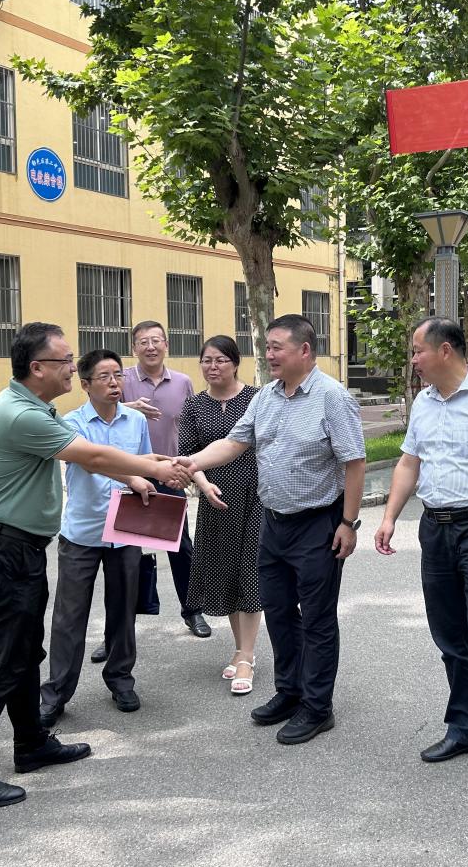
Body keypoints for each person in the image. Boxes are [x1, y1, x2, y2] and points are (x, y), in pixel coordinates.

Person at [0, 322, 192, 809]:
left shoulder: (36, 408)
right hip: (5, 550)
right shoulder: (21, 414)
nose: (72, 369)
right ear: (37, 368)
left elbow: (104, 457)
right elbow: (92, 455)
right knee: (2, 663)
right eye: (66, 362)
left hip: (23, 549)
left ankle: (31, 743)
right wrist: (156, 468)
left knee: (24, 655)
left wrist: (160, 462)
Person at [178, 314, 365, 745]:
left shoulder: (332, 398)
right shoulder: (266, 397)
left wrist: (348, 523)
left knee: (316, 619)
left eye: (277, 346)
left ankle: (317, 707)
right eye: (267, 346)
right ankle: (289, 691)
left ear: (305, 350)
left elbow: (354, 462)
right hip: (273, 521)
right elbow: (234, 443)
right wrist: (191, 463)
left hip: (318, 524)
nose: (269, 354)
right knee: (279, 613)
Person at [374, 318, 468, 795]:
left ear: (445, 350)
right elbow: (409, 462)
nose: (413, 360)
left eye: (417, 351)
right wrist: (389, 516)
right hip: (435, 530)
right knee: (450, 638)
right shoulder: (423, 402)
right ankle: (465, 728)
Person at [39, 349, 155, 728]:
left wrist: (151, 478)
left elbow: (145, 463)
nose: (114, 382)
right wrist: (132, 476)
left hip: (126, 530)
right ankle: (56, 692)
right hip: (83, 532)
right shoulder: (71, 422)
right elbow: (91, 462)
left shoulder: (136, 421)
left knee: (123, 610)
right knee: (69, 617)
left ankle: (120, 679)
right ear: (85, 385)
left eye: (118, 375)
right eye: (104, 377)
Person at [178, 336, 264, 696]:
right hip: (216, 499)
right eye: (207, 361)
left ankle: (247, 655)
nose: (213, 367)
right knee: (227, 573)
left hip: (256, 495)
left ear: (235, 363)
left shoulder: (258, 398)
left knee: (250, 572)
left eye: (220, 360)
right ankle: (241, 649)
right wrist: (203, 485)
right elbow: (188, 453)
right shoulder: (194, 405)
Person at [116, 319, 210, 644]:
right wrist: (127, 407)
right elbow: (100, 412)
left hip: (171, 473)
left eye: (156, 340)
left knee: (181, 547)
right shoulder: (122, 379)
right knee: (124, 552)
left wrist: (195, 469)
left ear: (166, 345)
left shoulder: (182, 382)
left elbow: (193, 427)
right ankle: (118, 626)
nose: (151, 347)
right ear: (134, 348)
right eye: (143, 341)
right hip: (128, 474)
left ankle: (193, 610)